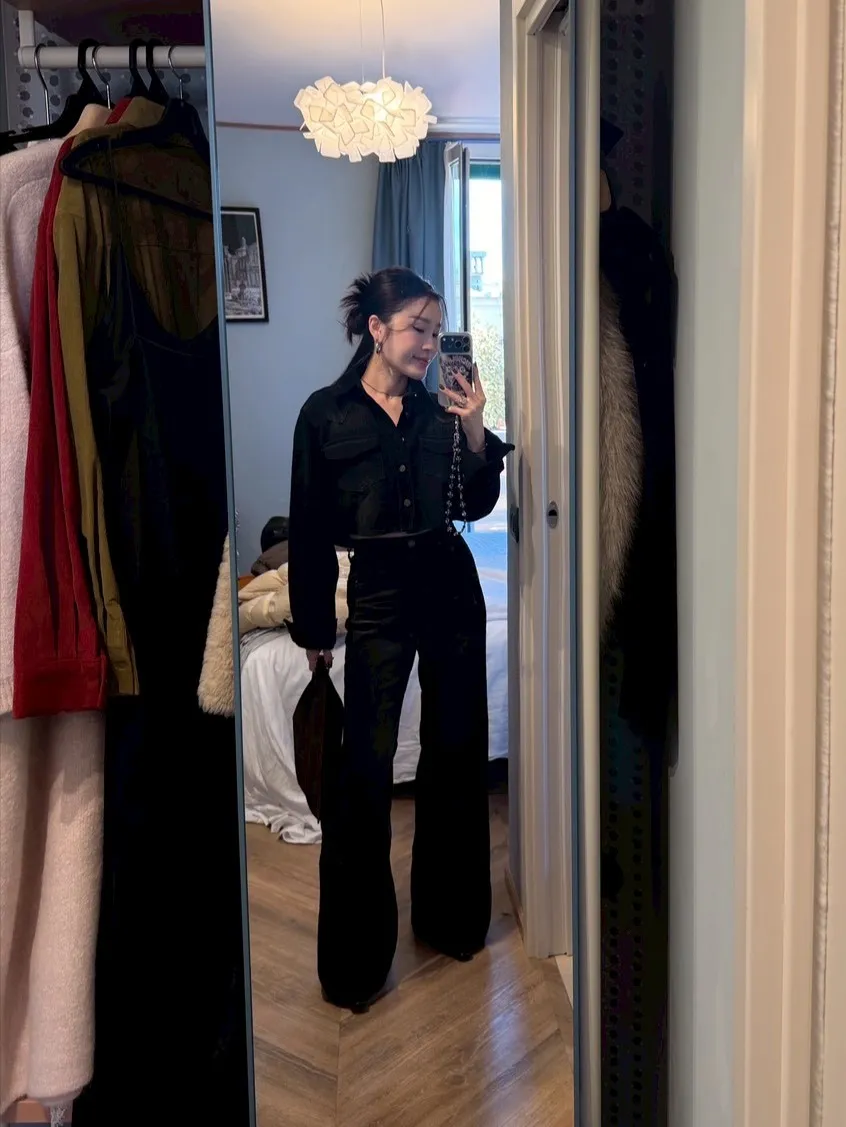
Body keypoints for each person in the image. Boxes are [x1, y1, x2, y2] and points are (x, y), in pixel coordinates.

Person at [287, 266, 513, 1013]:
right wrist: (314, 628)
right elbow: (309, 530)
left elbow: (474, 502)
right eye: (417, 327)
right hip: (378, 594)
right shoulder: (324, 415)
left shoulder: (440, 409)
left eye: (436, 330)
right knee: (365, 768)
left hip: (450, 584)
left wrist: (474, 427)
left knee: (456, 749)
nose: (428, 343)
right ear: (376, 328)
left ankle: (452, 921)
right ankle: (355, 963)